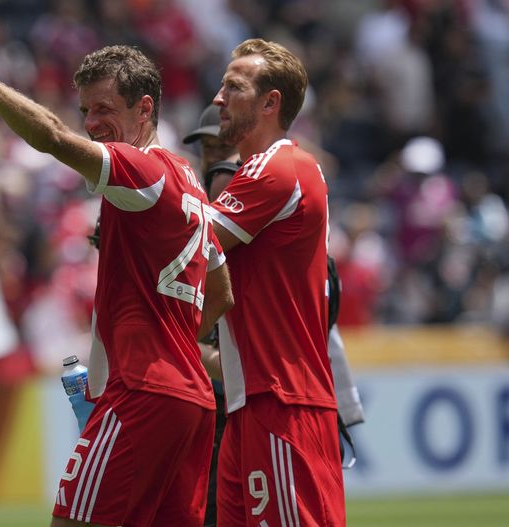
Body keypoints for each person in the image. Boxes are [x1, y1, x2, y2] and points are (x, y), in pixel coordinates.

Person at [0, 37, 234, 527]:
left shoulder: (141, 172)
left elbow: (54, 138)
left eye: (104, 108)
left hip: (142, 393)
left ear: (144, 109)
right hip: (190, 401)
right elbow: (222, 291)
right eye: (86, 109)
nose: (91, 123)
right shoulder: (186, 178)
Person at [184, 103, 363, 527]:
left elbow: (274, 349)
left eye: (220, 151)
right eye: (206, 151)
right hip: (240, 411)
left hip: (272, 401)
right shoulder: (228, 241)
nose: (212, 163)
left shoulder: (269, 233)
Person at [208, 38, 346, 526]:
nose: (218, 99)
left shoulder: (279, 166)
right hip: (255, 401)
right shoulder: (261, 170)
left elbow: (189, 247)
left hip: (282, 401)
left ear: (271, 103)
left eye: (233, 87)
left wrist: (138, 180)